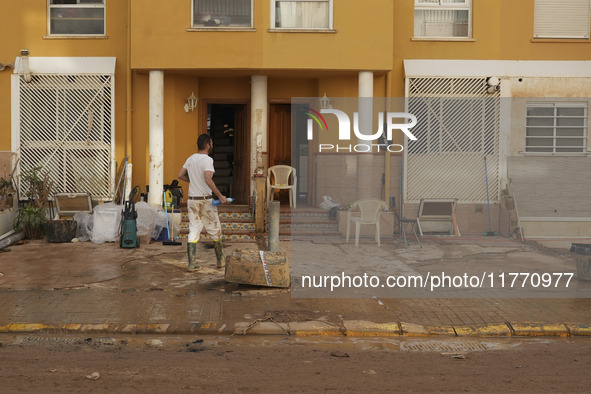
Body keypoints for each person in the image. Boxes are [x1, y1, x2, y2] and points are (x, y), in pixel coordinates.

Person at [178, 134, 228, 271]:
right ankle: (220, 261)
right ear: (207, 145)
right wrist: (220, 195)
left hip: (192, 200)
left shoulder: (190, 159)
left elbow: (180, 175)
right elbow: (208, 179)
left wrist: (193, 181)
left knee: (193, 230)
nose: (212, 145)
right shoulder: (207, 160)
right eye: (211, 143)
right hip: (205, 201)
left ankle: (192, 264)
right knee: (215, 230)